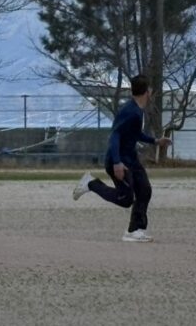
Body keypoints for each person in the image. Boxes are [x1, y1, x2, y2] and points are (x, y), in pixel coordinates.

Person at [72, 74, 171, 242]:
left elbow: (136, 134)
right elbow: (115, 136)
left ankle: (135, 230)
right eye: (151, 89)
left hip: (131, 159)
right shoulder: (130, 111)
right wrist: (117, 162)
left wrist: (156, 141)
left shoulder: (137, 110)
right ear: (147, 91)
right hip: (118, 160)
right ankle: (91, 184)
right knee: (126, 199)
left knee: (144, 190)